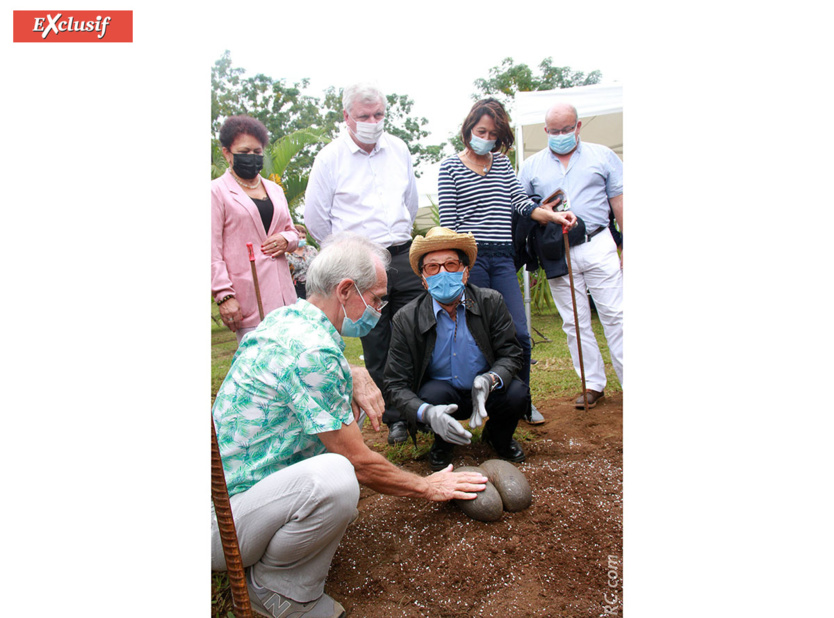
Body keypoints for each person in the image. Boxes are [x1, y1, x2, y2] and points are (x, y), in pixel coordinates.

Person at [211, 232, 487, 617]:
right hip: (225, 526)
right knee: (338, 477)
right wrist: (427, 485)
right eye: (375, 298)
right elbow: (359, 463)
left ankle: (284, 549)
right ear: (345, 290)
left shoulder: (287, 319)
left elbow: (304, 372)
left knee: (344, 423)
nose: (378, 308)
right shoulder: (314, 352)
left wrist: (351, 371)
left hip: (231, 497)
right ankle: (277, 589)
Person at [438, 98, 577, 424]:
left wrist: (552, 216)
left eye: (493, 133)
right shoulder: (450, 167)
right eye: (480, 130)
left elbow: (521, 203)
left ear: (501, 137)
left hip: (502, 260)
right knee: (473, 336)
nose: (485, 137)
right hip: (470, 261)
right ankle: (472, 403)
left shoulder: (501, 164)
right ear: (468, 129)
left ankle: (522, 401)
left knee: (519, 334)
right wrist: (458, 267)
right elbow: (448, 223)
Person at [304, 82, 423, 446]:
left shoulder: (399, 149)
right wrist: (349, 252)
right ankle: (394, 417)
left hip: (401, 253)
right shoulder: (329, 158)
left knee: (418, 328)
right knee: (376, 339)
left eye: (378, 115)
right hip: (358, 262)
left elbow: (411, 203)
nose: (372, 122)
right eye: (364, 116)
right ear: (347, 117)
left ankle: (420, 406)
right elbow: (315, 219)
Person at [384, 227, 530, 471]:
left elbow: (511, 353)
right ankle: (443, 442)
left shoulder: (490, 302)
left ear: (465, 272)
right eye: (432, 267)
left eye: (451, 264)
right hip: (442, 395)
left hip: (485, 393)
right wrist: (426, 412)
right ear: (423, 279)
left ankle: (498, 438)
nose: (442, 272)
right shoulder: (406, 318)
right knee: (432, 395)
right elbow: (394, 384)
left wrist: (491, 379)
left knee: (517, 393)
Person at [518, 102, 623, 408]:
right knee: (573, 322)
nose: (561, 135)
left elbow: (619, 201)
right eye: (555, 130)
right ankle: (591, 384)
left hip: (598, 242)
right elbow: (523, 207)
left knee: (616, 315)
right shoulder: (531, 166)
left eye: (567, 129)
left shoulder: (603, 155)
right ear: (546, 131)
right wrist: (543, 213)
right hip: (556, 250)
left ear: (578, 127)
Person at [212, 115, 299, 344]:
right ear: (226, 153)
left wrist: (286, 239)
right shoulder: (216, 192)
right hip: (249, 296)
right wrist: (224, 296)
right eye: (244, 151)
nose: (252, 157)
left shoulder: (274, 189)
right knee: (259, 367)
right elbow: (211, 249)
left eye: (257, 152)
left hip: (284, 295)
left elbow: (292, 231)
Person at [286, 223, 319, 299]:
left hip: (313, 286)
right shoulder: (288, 254)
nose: (301, 240)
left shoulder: (312, 250)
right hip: (296, 288)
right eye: (299, 237)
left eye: (303, 237)